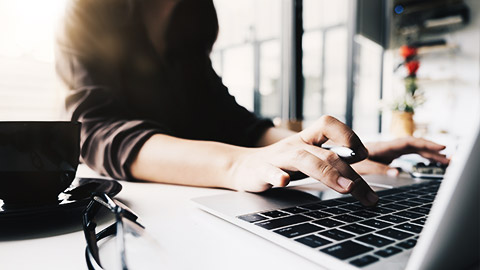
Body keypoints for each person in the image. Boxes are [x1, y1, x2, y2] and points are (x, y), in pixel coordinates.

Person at [56, 0, 449, 207]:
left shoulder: (192, 16)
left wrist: (322, 153)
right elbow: (93, 130)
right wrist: (236, 163)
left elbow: (236, 123)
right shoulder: (88, 10)